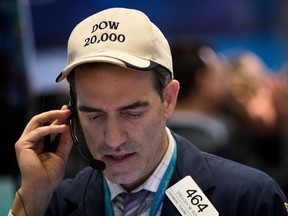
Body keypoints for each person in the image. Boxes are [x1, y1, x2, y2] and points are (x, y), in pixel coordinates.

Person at [10, 7, 288, 216]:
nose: (113, 140)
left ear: (168, 100)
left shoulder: (250, 199)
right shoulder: (51, 202)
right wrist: (33, 194)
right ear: (70, 114)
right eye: (94, 115)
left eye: (132, 113)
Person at [167, 37, 233, 154]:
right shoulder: (211, 146)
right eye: (219, 77)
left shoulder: (162, 137)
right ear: (203, 81)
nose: (227, 84)